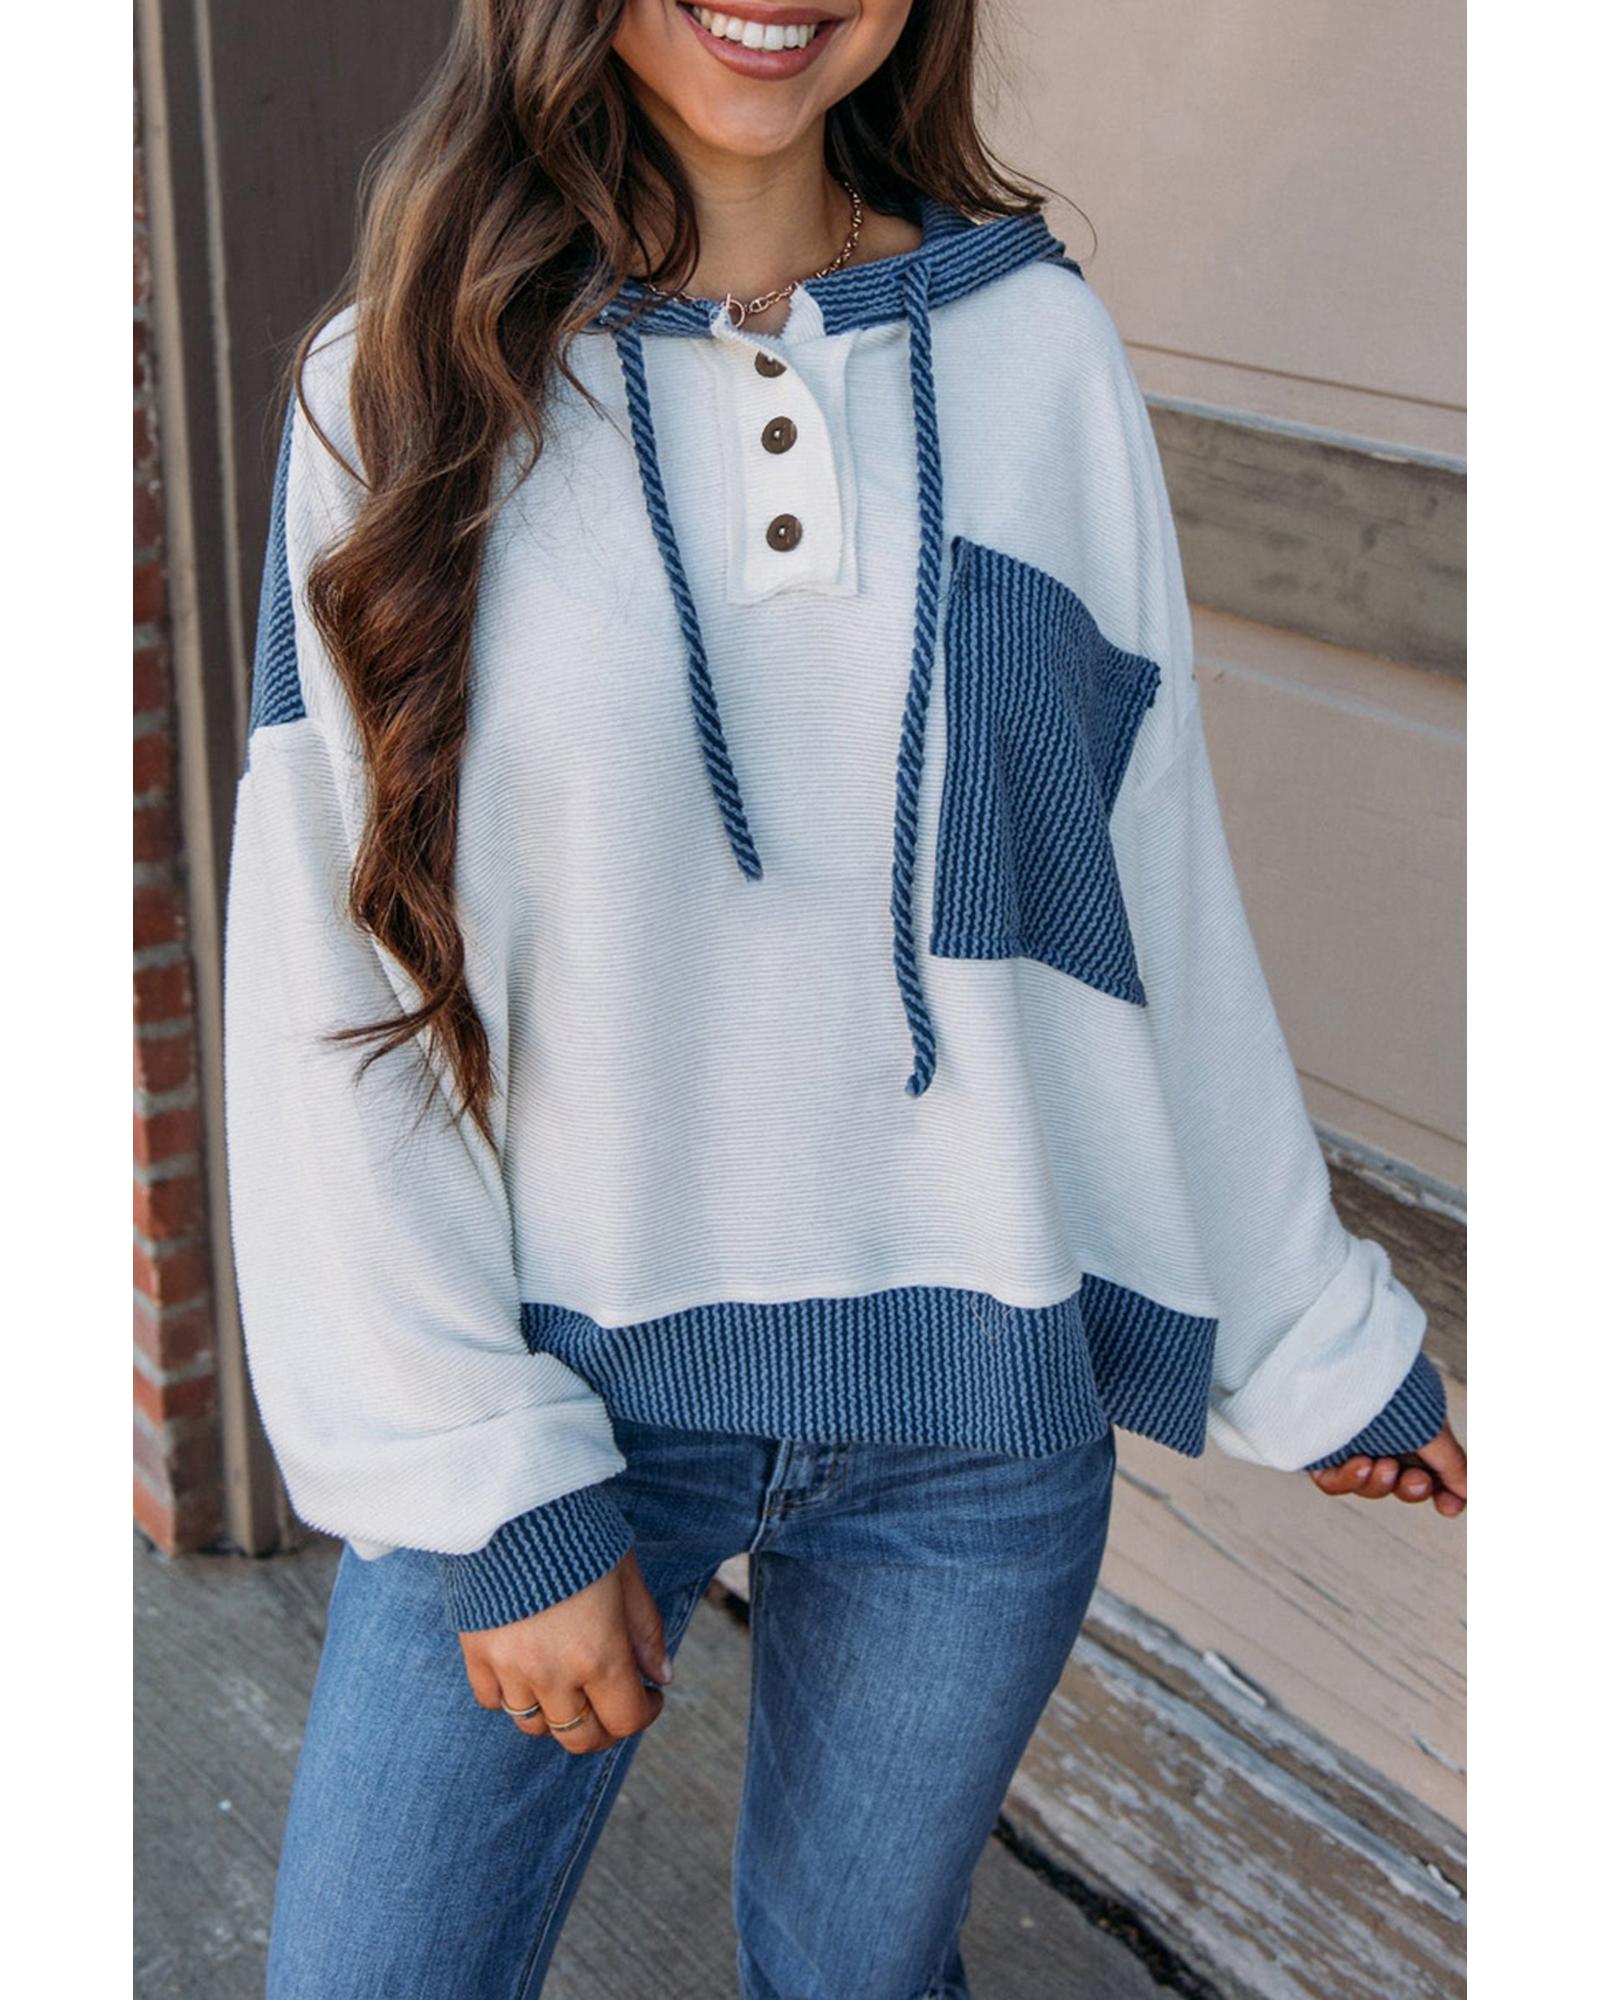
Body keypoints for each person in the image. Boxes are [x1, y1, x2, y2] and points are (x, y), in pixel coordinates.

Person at [222, 3, 1467, 1994]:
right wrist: (485, 1483)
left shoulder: (1034, 348)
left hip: (980, 1418)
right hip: (560, 1392)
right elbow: (329, 972)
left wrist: (1314, 1337)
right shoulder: (391, 392)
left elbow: (1142, 892)